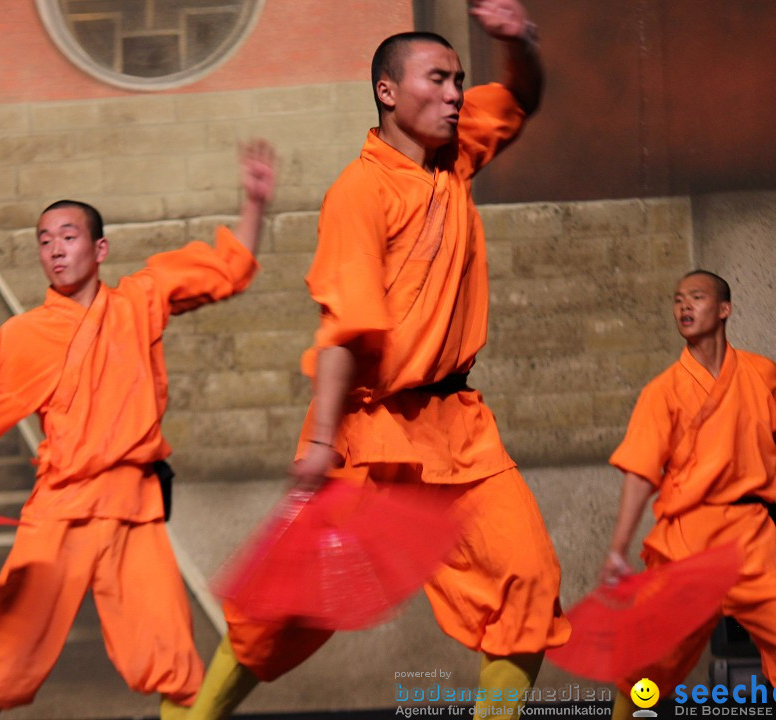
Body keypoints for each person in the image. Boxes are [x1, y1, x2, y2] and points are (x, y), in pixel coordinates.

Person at [187, 3, 569, 719]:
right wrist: (324, 442)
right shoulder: (360, 191)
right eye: (438, 80)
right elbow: (344, 326)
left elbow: (522, 96)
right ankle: (197, 714)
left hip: (458, 427)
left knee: (527, 578)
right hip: (367, 431)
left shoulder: (456, 157)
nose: (456, 95)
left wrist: (521, 43)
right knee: (287, 608)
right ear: (388, 92)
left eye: (459, 80)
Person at [0, 142, 277, 720]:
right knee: (0, 657)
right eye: (44, 240)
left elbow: (227, 271)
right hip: (60, 509)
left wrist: (254, 204)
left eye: (67, 236)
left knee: (172, 660)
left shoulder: (139, 300)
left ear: (99, 247)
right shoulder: (26, 335)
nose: (55, 250)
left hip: (133, 508)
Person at [602, 270, 776, 717]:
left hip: (750, 538)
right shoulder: (663, 391)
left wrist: (757, 481)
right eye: (677, 300)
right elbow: (639, 471)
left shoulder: (763, 374)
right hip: (687, 541)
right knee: (647, 668)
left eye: (696, 297)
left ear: (724, 309)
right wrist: (618, 547)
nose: (684, 307)